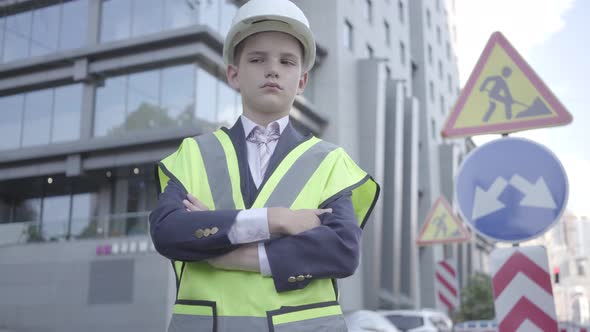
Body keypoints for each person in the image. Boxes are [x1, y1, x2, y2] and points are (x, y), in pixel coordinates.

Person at [149, 0, 379, 331]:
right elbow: (168, 232)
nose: (272, 69)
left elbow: (341, 250)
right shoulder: (194, 153)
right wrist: (275, 220)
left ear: (301, 81)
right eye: (257, 59)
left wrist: (231, 255)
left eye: (287, 61)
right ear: (234, 73)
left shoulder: (331, 161)